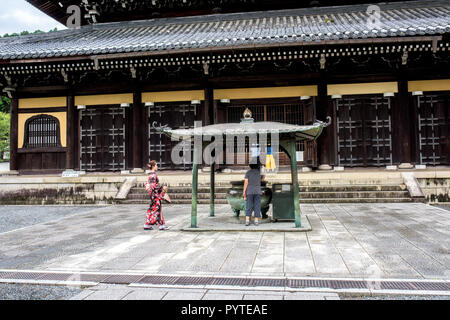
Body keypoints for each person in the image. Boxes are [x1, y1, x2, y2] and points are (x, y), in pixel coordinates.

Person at [144, 160, 170, 231]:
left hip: (153, 194)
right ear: (153, 166)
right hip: (155, 195)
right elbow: (153, 186)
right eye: (156, 165)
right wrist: (162, 188)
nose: (157, 166)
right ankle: (161, 225)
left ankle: (147, 224)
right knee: (157, 209)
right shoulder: (153, 175)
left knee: (153, 208)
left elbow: (152, 186)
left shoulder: (151, 174)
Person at [243, 158, 265, 226]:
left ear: (250, 165)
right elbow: (263, 179)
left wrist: (244, 192)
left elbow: (246, 183)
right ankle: (256, 221)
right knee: (257, 206)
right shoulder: (259, 172)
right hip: (258, 191)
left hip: (249, 191)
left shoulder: (248, 172)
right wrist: (263, 169)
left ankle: (247, 220)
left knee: (248, 206)